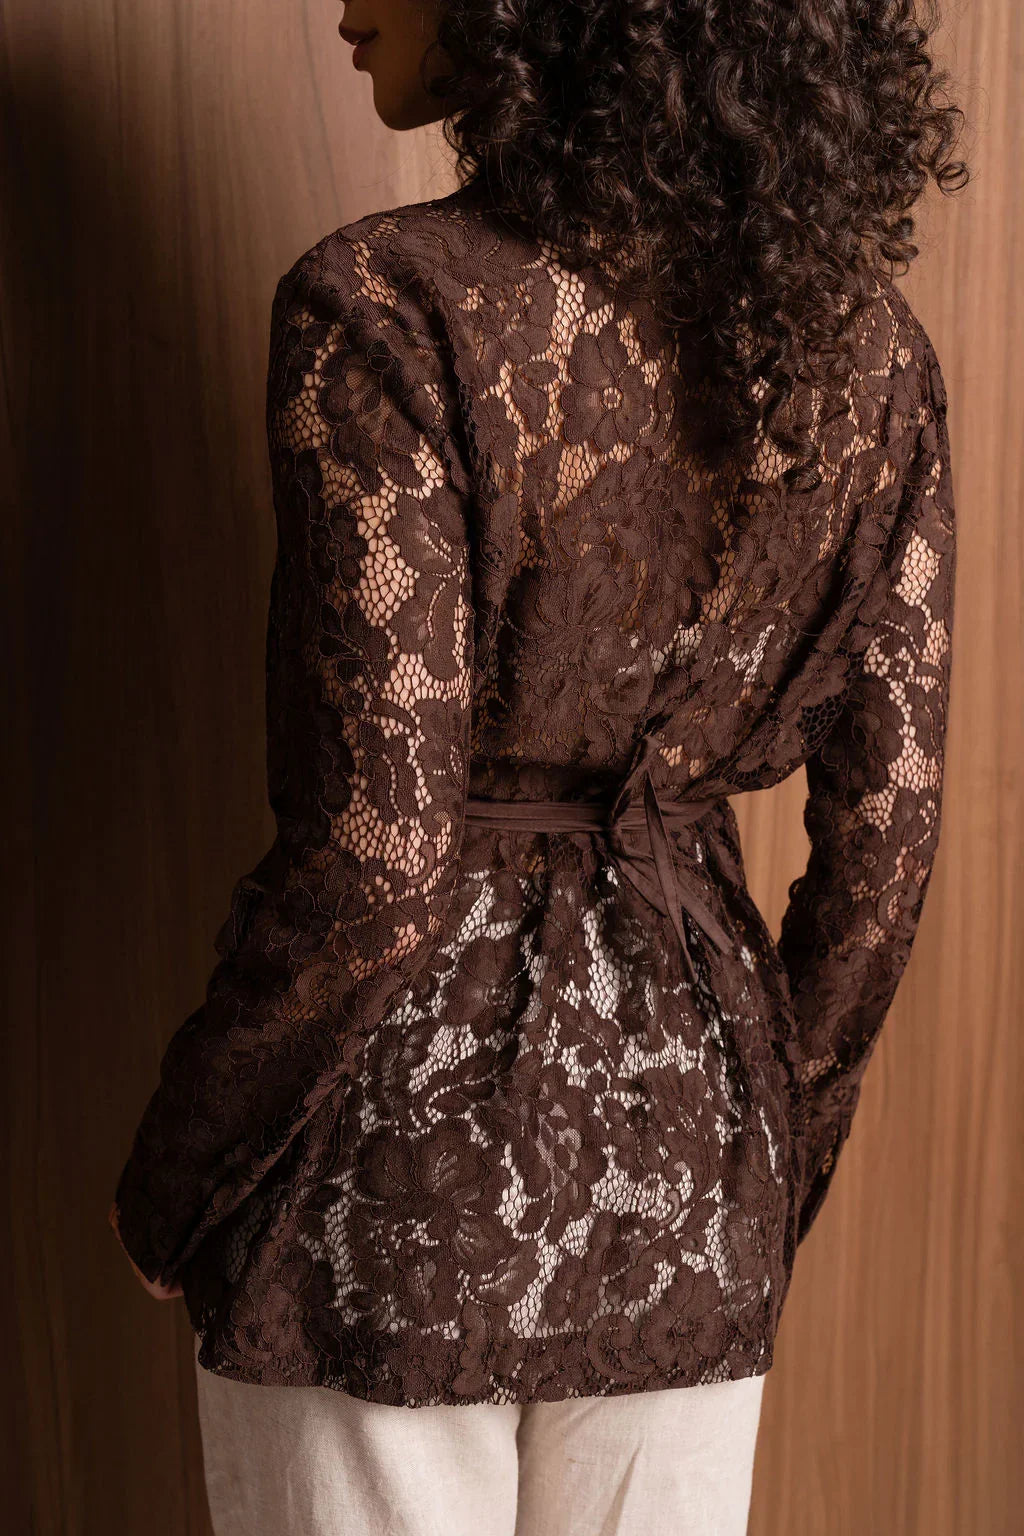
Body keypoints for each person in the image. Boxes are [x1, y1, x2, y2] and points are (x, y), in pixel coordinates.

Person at [109, 2, 967, 1532]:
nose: (347, 7)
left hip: (387, 1180)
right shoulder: (873, 356)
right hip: (695, 1164)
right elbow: (886, 858)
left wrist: (181, 1169)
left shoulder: (385, 306)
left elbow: (376, 857)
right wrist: (768, 1157)